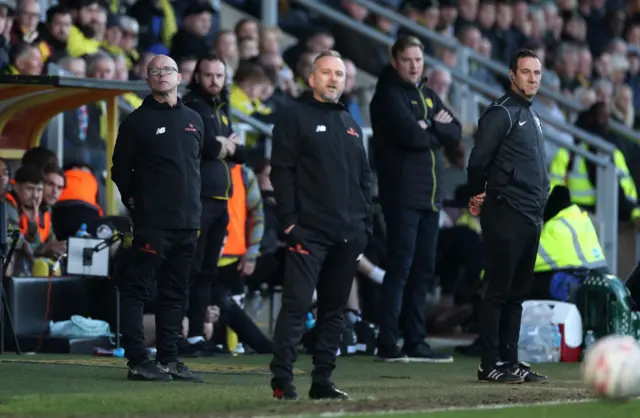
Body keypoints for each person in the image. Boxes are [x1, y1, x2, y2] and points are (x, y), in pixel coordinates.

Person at [269, 50, 371, 401]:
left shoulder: (351, 124)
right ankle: (282, 378)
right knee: (297, 306)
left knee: (334, 311)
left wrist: (364, 227)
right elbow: (280, 172)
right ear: (311, 78)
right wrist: (289, 223)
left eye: (339, 74)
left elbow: (363, 180)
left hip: (348, 234)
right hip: (308, 232)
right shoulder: (294, 117)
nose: (333, 79)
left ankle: (322, 380)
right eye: (326, 72)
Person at [369, 35, 462, 363]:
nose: (413, 66)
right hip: (402, 196)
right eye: (408, 60)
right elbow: (411, 136)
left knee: (422, 271)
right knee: (401, 269)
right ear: (395, 61)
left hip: (429, 197)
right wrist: (432, 129)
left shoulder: (427, 94)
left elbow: (457, 131)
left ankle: (415, 340)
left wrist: (429, 128)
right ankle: (388, 342)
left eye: (418, 61)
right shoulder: (386, 96)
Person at [111, 54, 204, 383]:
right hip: (154, 223)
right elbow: (119, 172)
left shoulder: (195, 119)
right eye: (155, 71)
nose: (162, 75)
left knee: (175, 293)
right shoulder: (136, 122)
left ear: (179, 77)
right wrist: (136, 205)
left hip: (188, 223)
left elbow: (195, 168)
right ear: (147, 80)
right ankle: (137, 359)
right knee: (137, 289)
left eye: (167, 70)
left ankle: (169, 359)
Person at [466, 48, 550, 384]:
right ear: (512, 75)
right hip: (506, 212)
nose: (532, 78)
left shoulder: (532, 115)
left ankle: (510, 360)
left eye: (537, 73)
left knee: (517, 293)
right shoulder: (502, 113)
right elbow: (477, 160)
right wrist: (475, 193)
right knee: (497, 291)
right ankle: (489, 364)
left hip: (530, 215)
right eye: (526, 72)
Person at [180, 53, 246, 356]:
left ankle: (196, 335)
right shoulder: (193, 105)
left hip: (221, 201)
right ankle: (181, 333)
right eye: (209, 76)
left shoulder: (222, 106)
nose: (214, 81)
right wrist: (224, 145)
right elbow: (205, 145)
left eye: (219, 76)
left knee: (208, 271)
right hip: (199, 199)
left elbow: (239, 152)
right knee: (190, 268)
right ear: (197, 76)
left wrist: (225, 146)